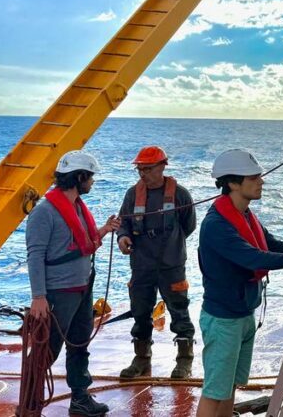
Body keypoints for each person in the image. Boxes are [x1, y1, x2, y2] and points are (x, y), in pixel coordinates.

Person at [196, 149, 283, 417]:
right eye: (254, 177)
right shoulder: (217, 225)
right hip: (224, 321)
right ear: (233, 183)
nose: (261, 181)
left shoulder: (244, 215)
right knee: (215, 391)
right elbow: (253, 257)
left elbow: (269, 243)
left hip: (243, 315)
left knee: (229, 387)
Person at [25, 150, 120, 416]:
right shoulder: (44, 212)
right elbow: (35, 255)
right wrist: (39, 297)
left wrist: (103, 230)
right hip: (59, 293)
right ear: (79, 177)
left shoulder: (77, 207)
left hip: (82, 288)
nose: (92, 183)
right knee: (47, 350)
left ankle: (80, 398)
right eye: (90, 178)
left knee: (79, 345)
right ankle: (29, 403)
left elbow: (79, 245)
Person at [116, 146, 197, 379]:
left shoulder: (180, 195)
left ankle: (184, 361)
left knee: (179, 311)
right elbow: (124, 222)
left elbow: (188, 226)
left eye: (148, 169)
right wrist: (123, 237)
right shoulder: (133, 194)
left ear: (162, 167)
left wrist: (170, 244)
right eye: (140, 170)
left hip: (171, 265)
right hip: (141, 265)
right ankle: (141, 358)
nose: (143, 174)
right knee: (140, 311)